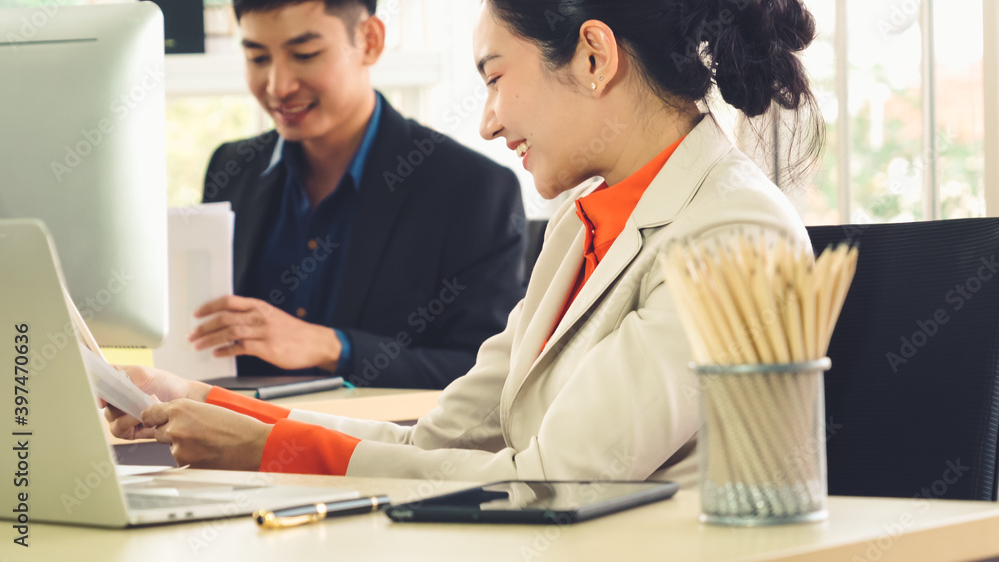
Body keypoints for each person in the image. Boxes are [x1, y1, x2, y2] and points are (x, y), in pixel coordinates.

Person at [108, 0, 823, 483]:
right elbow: (434, 443)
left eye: (495, 78)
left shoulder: (734, 232)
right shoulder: (580, 230)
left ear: (594, 58)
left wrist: (267, 448)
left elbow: (552, 482)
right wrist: (203, 399)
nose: (485, 122)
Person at [192, 0, 527, 389]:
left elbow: (485, 375)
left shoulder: (472, 189)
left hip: (377, 442)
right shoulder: (231, 168)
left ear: (369, 41)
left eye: (305, 54)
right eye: (257, 57)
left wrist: (333, 346)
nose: (277, 86)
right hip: (236, 438)